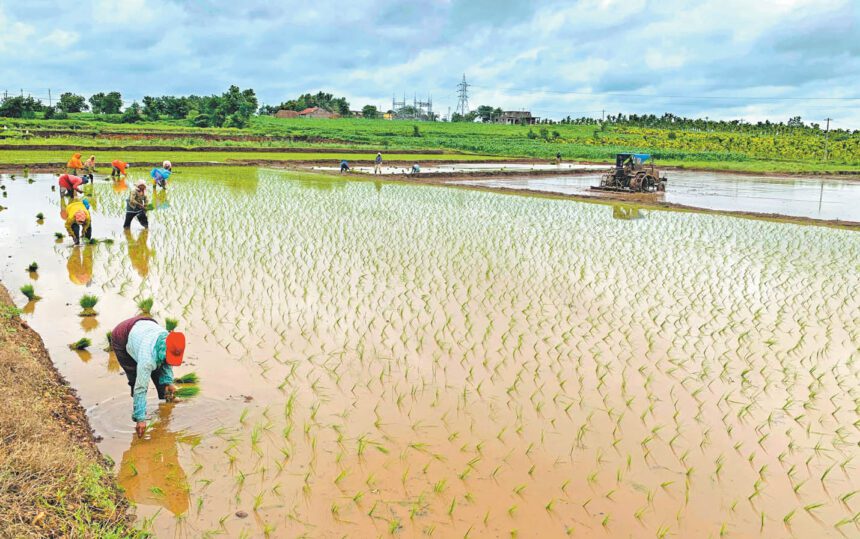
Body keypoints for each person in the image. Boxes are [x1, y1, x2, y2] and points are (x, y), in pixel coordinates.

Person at [110, 316, 185, 438]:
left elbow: (166, 361)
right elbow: (141, 388)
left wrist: (168, 382)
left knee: (160, 368)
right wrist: (141, 419)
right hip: (122, 336)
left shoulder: (169, 339)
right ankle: (138, 409)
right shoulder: (147, 359)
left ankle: (167, 397)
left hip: (144, 326)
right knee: (136, 378)